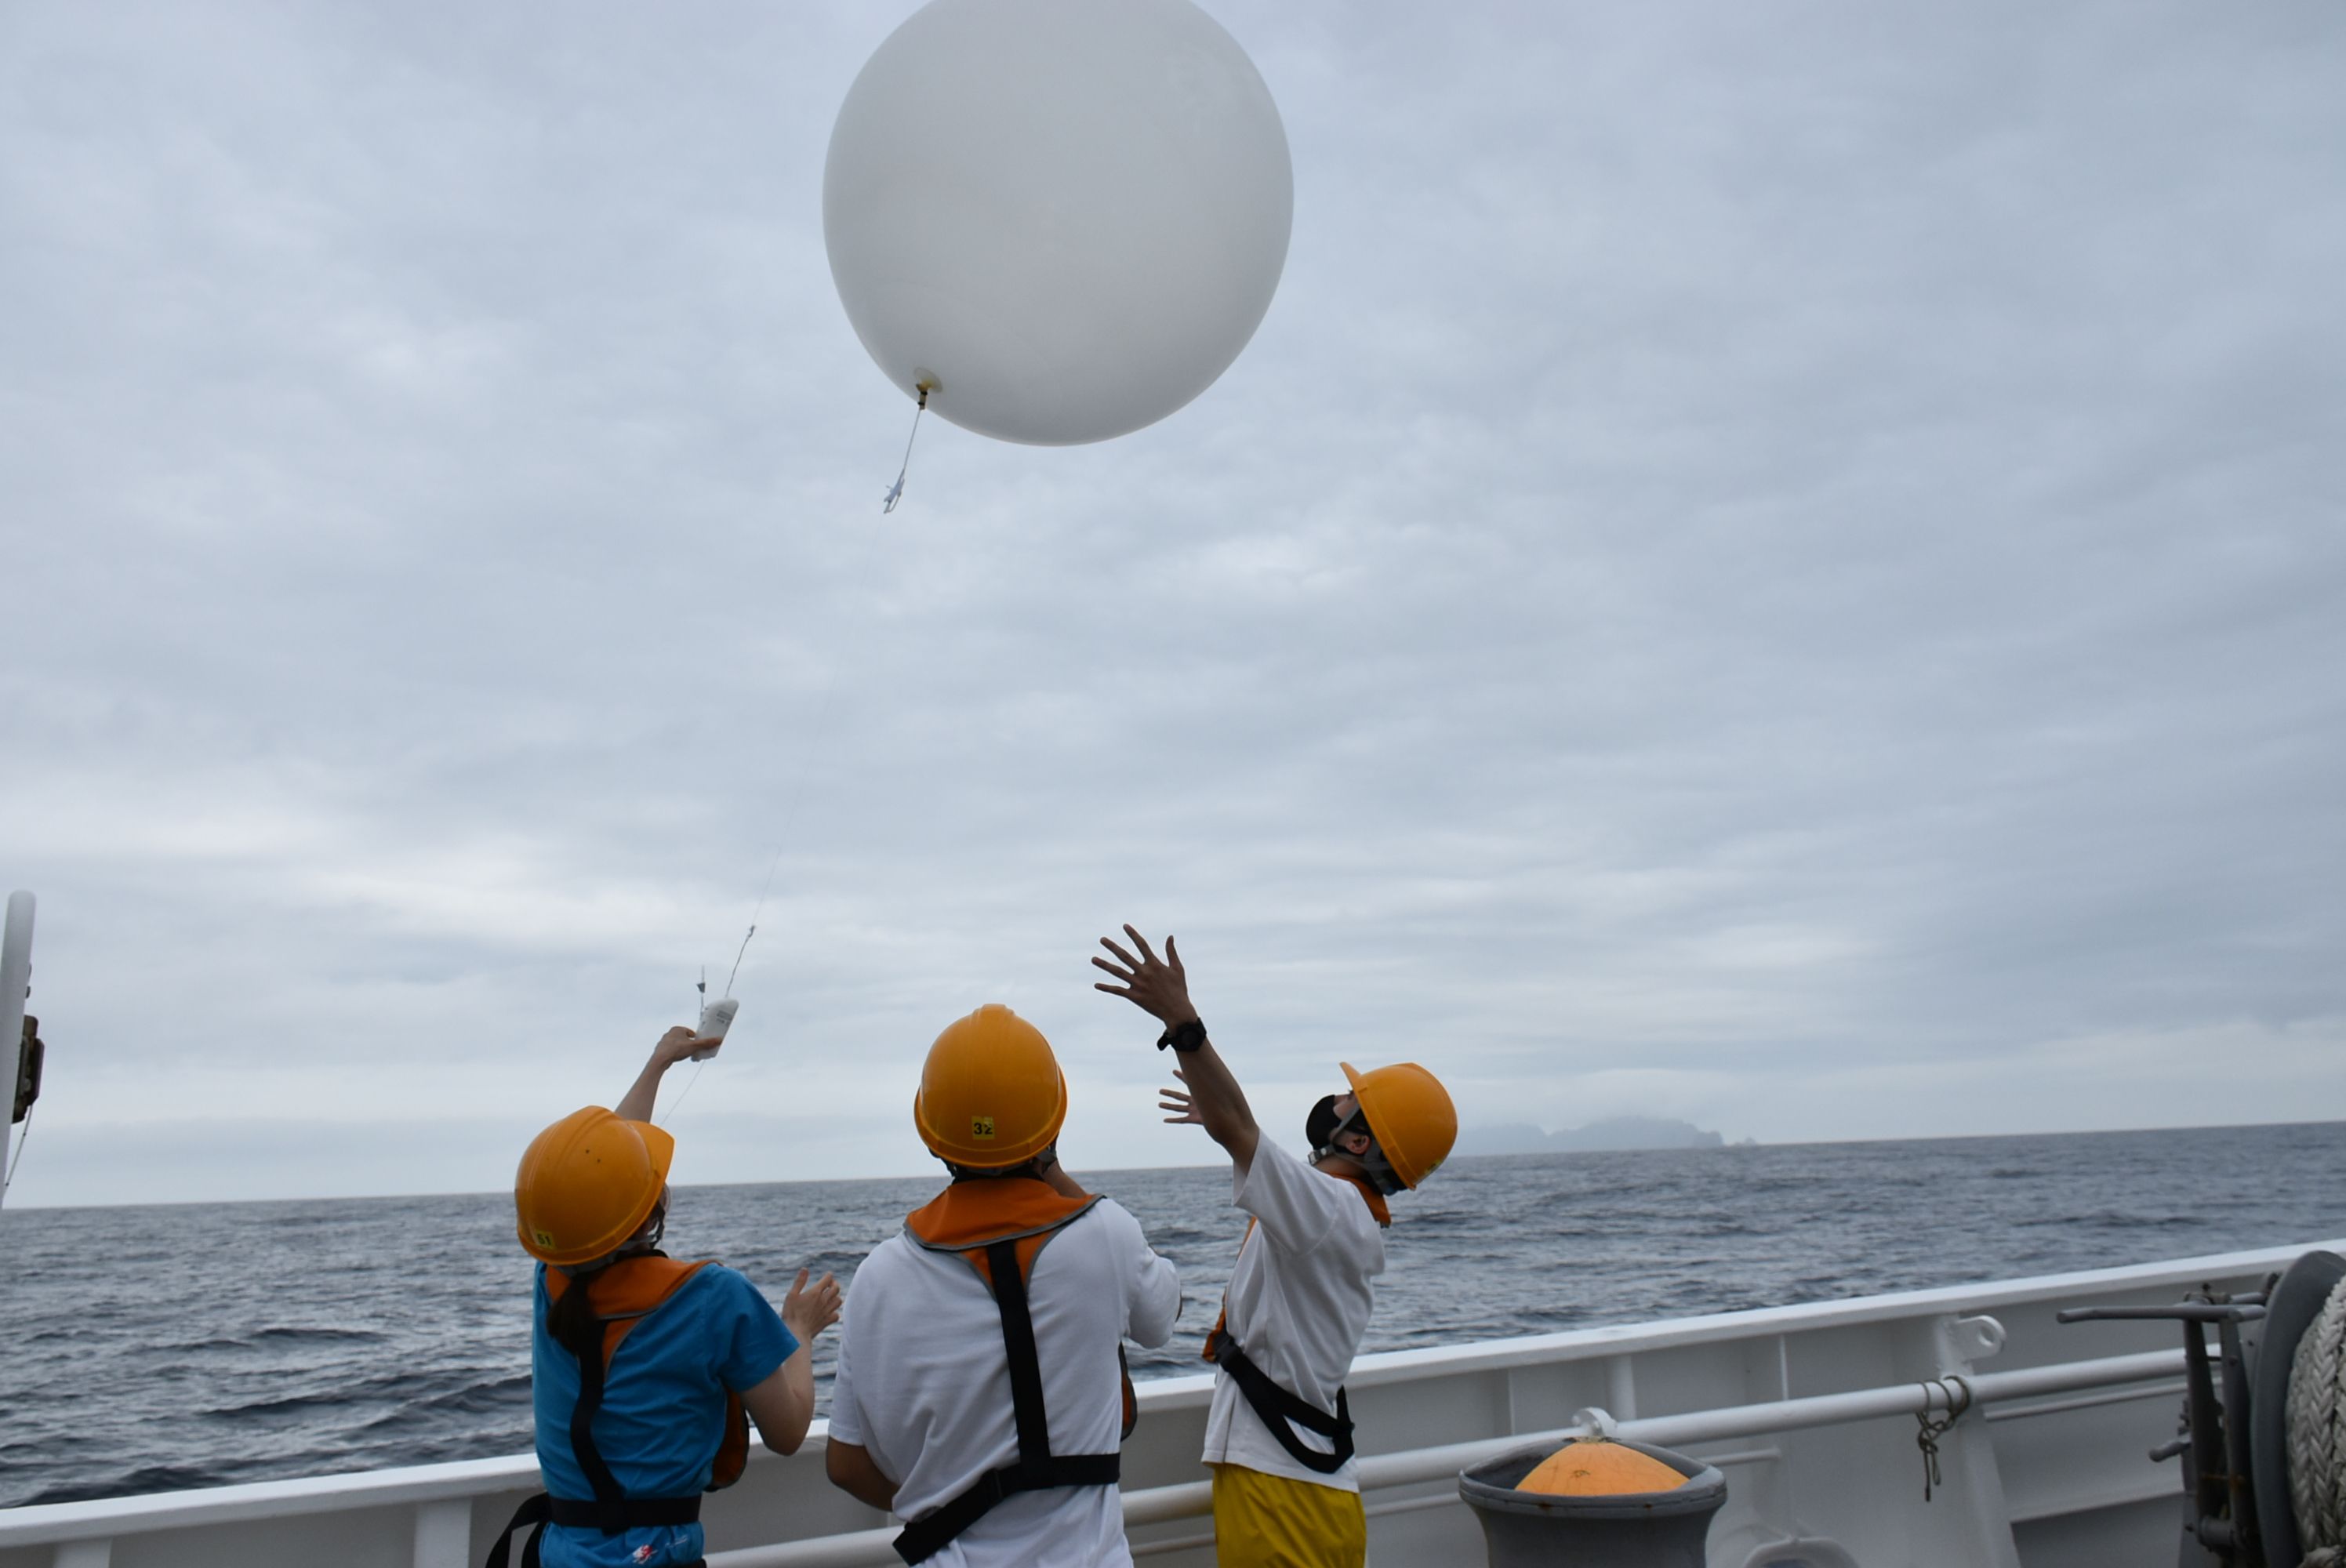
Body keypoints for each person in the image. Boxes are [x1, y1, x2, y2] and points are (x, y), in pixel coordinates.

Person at [1092, 927, 1457, 1568]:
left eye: (1351, 1101)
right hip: (1308, 1491)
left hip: (1281, 1498)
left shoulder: (1329, 1211)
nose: (1336, 1099)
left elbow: (1242, 1129)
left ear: (1358, 1142)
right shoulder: (1340, 1212)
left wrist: (1181, 1020)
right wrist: (1220, 1118)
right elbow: (1241, 1133)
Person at [824, 1004, 1182, 1566]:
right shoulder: (1106, 1236)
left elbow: (846, 1464)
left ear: (933, 1137)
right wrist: (1048, 1164)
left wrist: (944, 1505)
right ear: (1052, 1128)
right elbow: (1161, 1319)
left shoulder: (879, 1277)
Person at [488, 1025, 843, 1568]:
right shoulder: (714, 1299)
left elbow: (590, 1177)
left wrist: (659, 1064)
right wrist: (799, 1330)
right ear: (651, 1208)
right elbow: (789, 1432)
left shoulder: (551, 1280)